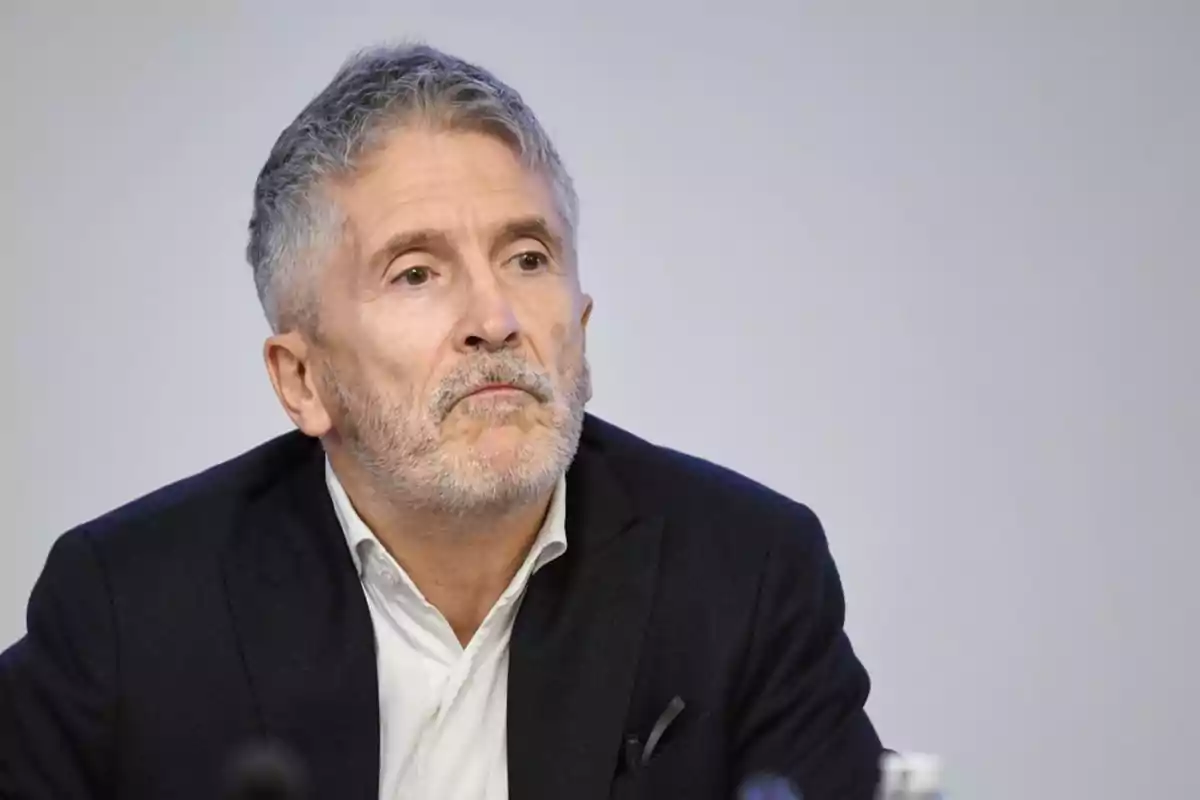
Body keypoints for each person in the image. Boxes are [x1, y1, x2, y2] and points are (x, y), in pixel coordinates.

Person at [0, 43, 884, 800]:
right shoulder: (129, 609)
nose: (495, 318)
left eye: (528, 257)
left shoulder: (748, 573)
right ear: (301, 379)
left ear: (578, 328)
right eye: (417, 273)